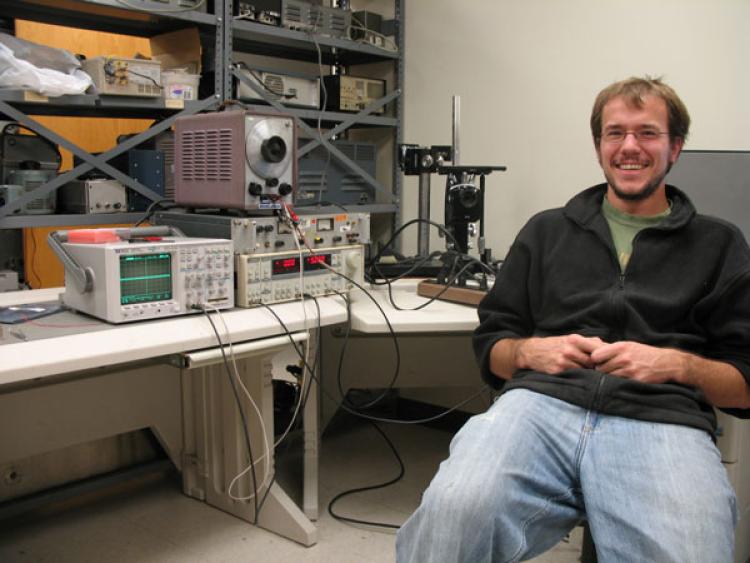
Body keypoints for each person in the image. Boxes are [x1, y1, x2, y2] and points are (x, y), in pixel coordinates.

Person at [395, 76, 750, 563]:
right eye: (614, 133)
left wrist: (676, 366)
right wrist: (526, 352)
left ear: (675, 148)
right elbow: (492, 346)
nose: (629, 147)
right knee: (454, 515)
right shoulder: (546, 231)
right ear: (598, 145)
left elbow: (744, 384)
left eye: (647, 133)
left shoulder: (720, 245)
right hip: (540, 408)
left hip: (661, 419)